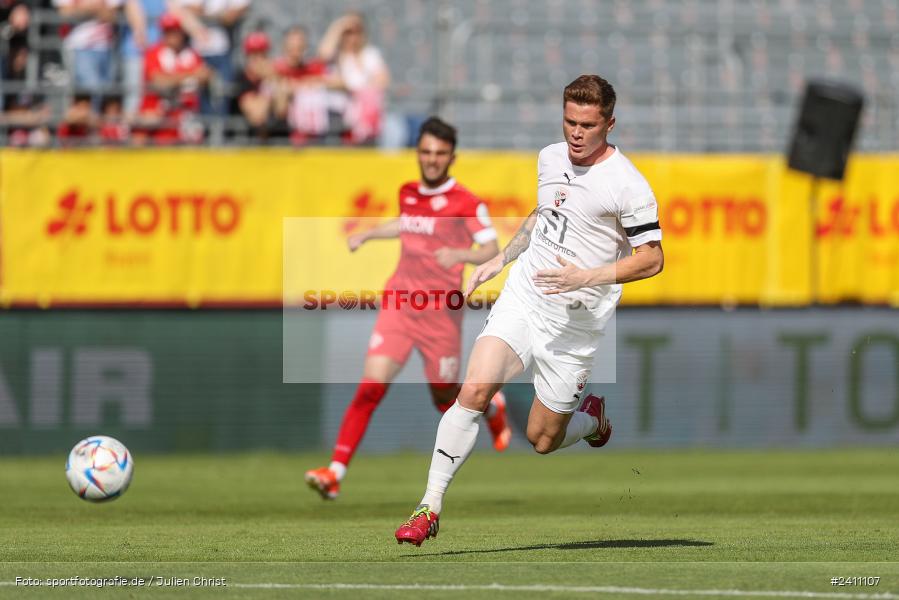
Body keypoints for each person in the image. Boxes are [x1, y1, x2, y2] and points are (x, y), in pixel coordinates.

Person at [394, 75, 665, 546]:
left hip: (575, 323)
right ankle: (428, 507)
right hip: (526, 297)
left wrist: (587, 276)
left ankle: (593, 421)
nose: (575, 133)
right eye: (568, 121)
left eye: (587, 125)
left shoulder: (628, 185)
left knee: (542, 438)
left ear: (609, 124)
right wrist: (502, 258)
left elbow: (653, 258)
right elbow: (544, 215)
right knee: (475, 389)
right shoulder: (549, 157)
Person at [305, 117, 512, 501]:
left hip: (440, 315)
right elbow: (405, 223)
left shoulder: (466, 202)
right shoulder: (408, 192)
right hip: (400, 304)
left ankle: (492, 407)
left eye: (439, 153)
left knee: (443, 397)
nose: (431, 160)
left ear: (452, 157)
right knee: (370, 388)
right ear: (418, 152)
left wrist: (460, 253)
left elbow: (490, 248)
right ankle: (335, 471)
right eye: (426, 152)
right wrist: (368, 234)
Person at [134, 12, 209, 144]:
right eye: (167, 31)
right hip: (158, 116)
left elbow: (205, 75)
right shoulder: (154, 53)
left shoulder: (191, 54)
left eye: (175, 31)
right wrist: (189, 75)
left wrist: (173, 79)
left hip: (186, 118)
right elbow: (160, 82)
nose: (172, 36)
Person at [317, 11, 389, 144]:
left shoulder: (370, 54)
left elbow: (382, 81)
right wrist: (339, 26)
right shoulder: (336, 55)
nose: (353, 37)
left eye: (357, 32)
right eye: (348, 33)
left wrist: (349, 86)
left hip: (364, 119)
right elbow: (323, 55)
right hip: (337, 115)